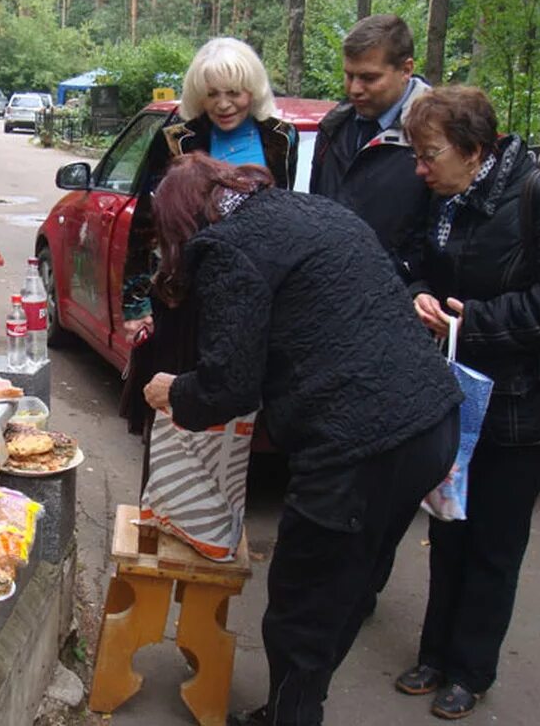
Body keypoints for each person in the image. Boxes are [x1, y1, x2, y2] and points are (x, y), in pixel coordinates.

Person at [141, 152, 463, 726]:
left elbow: (228, 385)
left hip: (360, 445)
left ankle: (291, 715)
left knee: (299, 608)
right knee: (347, 588)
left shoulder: (227, 247)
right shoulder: (313, 210)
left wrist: (174, 391)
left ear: (184, 221)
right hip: (431, 423)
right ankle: (293, 705)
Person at [394, 86, 540, 720]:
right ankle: (434, 652)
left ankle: (470, 670)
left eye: (429, 153)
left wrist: (475, 320)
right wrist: (416, 292)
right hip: (455, 391)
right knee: (448, 523)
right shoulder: (439, 194)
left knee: (494, 538)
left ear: (474, 150)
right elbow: (408, 258)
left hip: (525, 407)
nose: (420, 166)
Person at [120, 37, 298, 479]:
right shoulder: (177, 139)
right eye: (212, 93)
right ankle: (161, 508)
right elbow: (146, 223)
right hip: (185, 295)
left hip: (250, 297)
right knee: (173, 406)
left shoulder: (280, 137)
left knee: (232, 403)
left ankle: (213, 519)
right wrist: (137, 304)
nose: (223, 104)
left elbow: (287, 215)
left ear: (252, 90)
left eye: (234, 92)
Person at [310, 14, 431, 274]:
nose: (354, 89)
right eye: (349, 75)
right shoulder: (334, 128)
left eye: (368, 78)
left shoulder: (436, 136)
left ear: (406, 70)